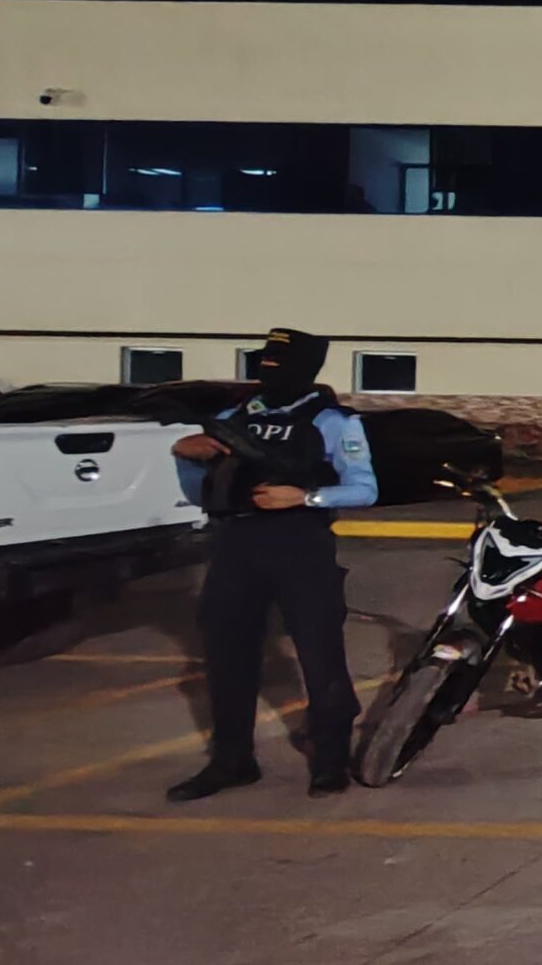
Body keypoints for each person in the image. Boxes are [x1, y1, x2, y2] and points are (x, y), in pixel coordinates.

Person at [164, 328, 378, 801]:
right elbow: (200, 493)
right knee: (226, 657)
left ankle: (330, 762)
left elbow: (366, 489)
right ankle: (232, 761)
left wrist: (305, 497)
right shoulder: (232, 418)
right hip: (235, 543)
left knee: (320, 657)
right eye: (265, 361)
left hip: (300, 543)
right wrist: (184, 458)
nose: (269, 371)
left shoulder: (333, 422)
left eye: (280, 362)